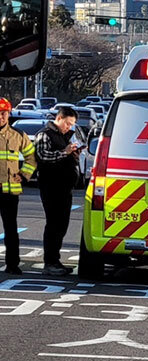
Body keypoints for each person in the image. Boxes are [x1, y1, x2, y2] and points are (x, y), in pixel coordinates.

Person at [33, 106, 78, 276]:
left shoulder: (63, 136)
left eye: (71, 125)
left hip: (64, 187)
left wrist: (72, 153)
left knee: (62, 224)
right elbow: (43, 156)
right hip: (51, 186)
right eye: (67, 123)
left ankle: (55, 260)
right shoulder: (45, 134)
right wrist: (64, 152)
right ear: (59, 118)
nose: (69, 127)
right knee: (53, 224)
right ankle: (50, 262)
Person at [0, 97, 35, 274]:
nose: (1, 117)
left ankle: (12, 264)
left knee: (11, 230)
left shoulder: (18, 136)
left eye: (3, 113)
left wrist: (24, 174)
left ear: (9, 114)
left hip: (10, 192)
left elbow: (31, 158)